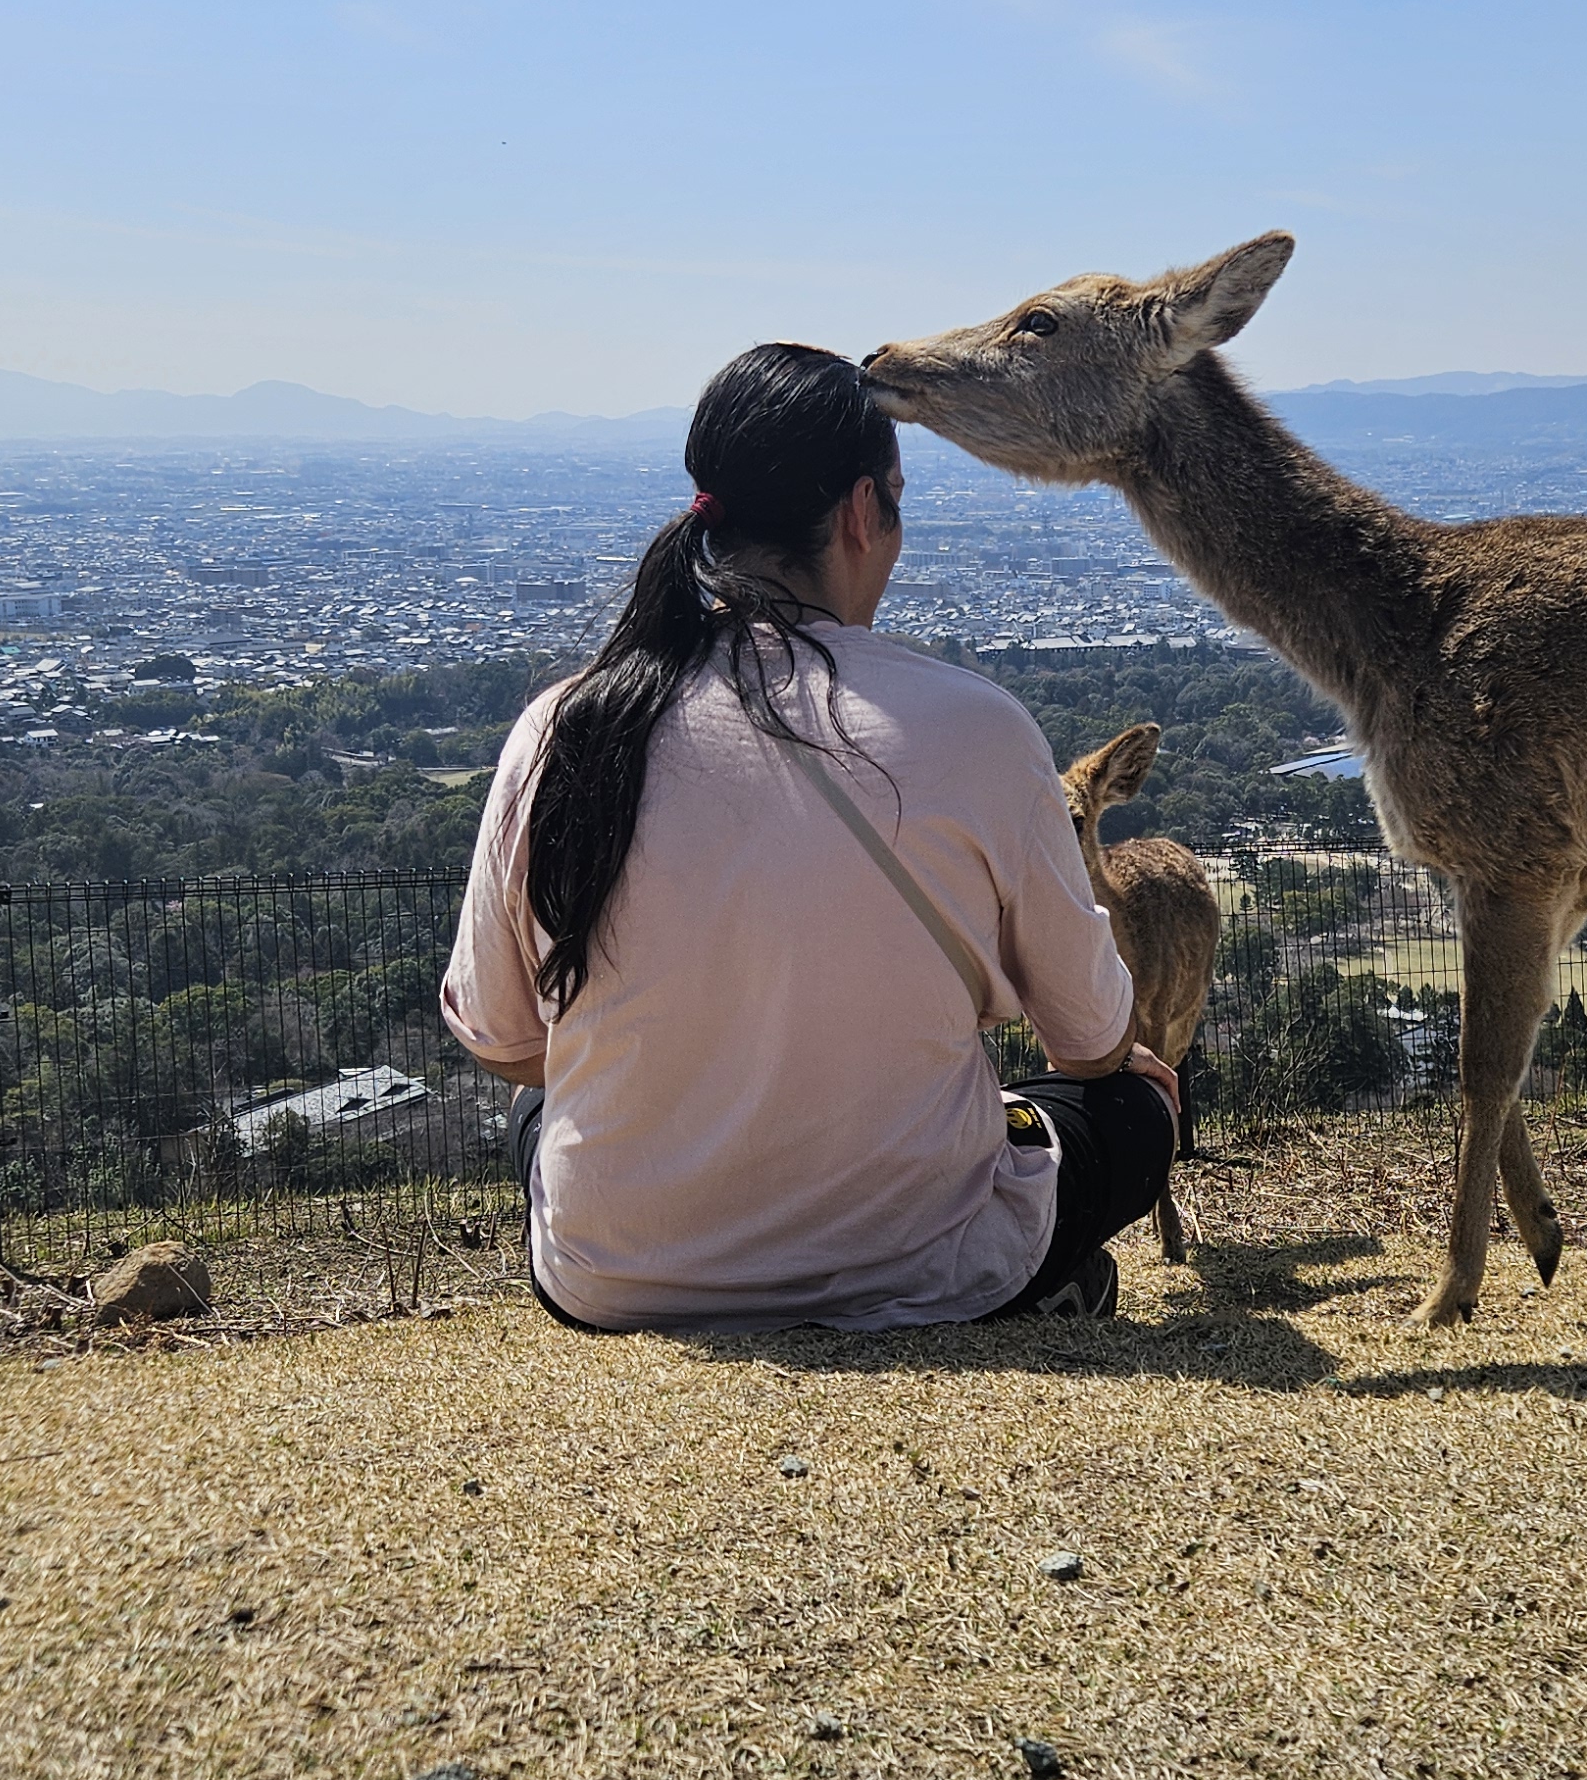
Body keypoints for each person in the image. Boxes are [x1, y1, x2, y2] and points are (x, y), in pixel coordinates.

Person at [439, 342, 1180, 1334]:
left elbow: (508, 1047)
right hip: (918, 1254)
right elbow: (1092, 1049)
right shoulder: (977, 729)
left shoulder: (564, 729)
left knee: (544, 1112)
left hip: (614, 1274)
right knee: (1137, 1108)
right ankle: (1032, 1281)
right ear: (863, 511)